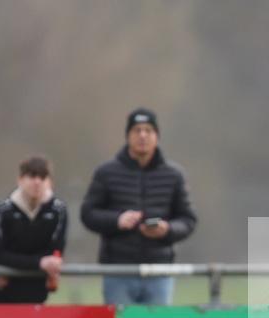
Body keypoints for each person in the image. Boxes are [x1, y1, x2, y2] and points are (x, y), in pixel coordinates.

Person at [81, 108, 197, 305]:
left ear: (157, 136)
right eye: (137, 130)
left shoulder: (174, 175)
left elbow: (188, 220)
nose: (143, 135)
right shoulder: (106, 173)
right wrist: (117, 221)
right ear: (128, 136)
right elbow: (88, 214)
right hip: (118, 271)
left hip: (159, 272)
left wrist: (167, 230)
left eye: (148, 130)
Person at [0, 156, 67, 304]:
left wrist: (49, 265)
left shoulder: (58, 210)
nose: (37, 182)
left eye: (42, 176)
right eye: (32, 176)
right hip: (3, 292)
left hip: (37, 292)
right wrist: (40, 263)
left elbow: (55, 252)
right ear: (20, 180)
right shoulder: (4, 210)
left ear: (49, 182)